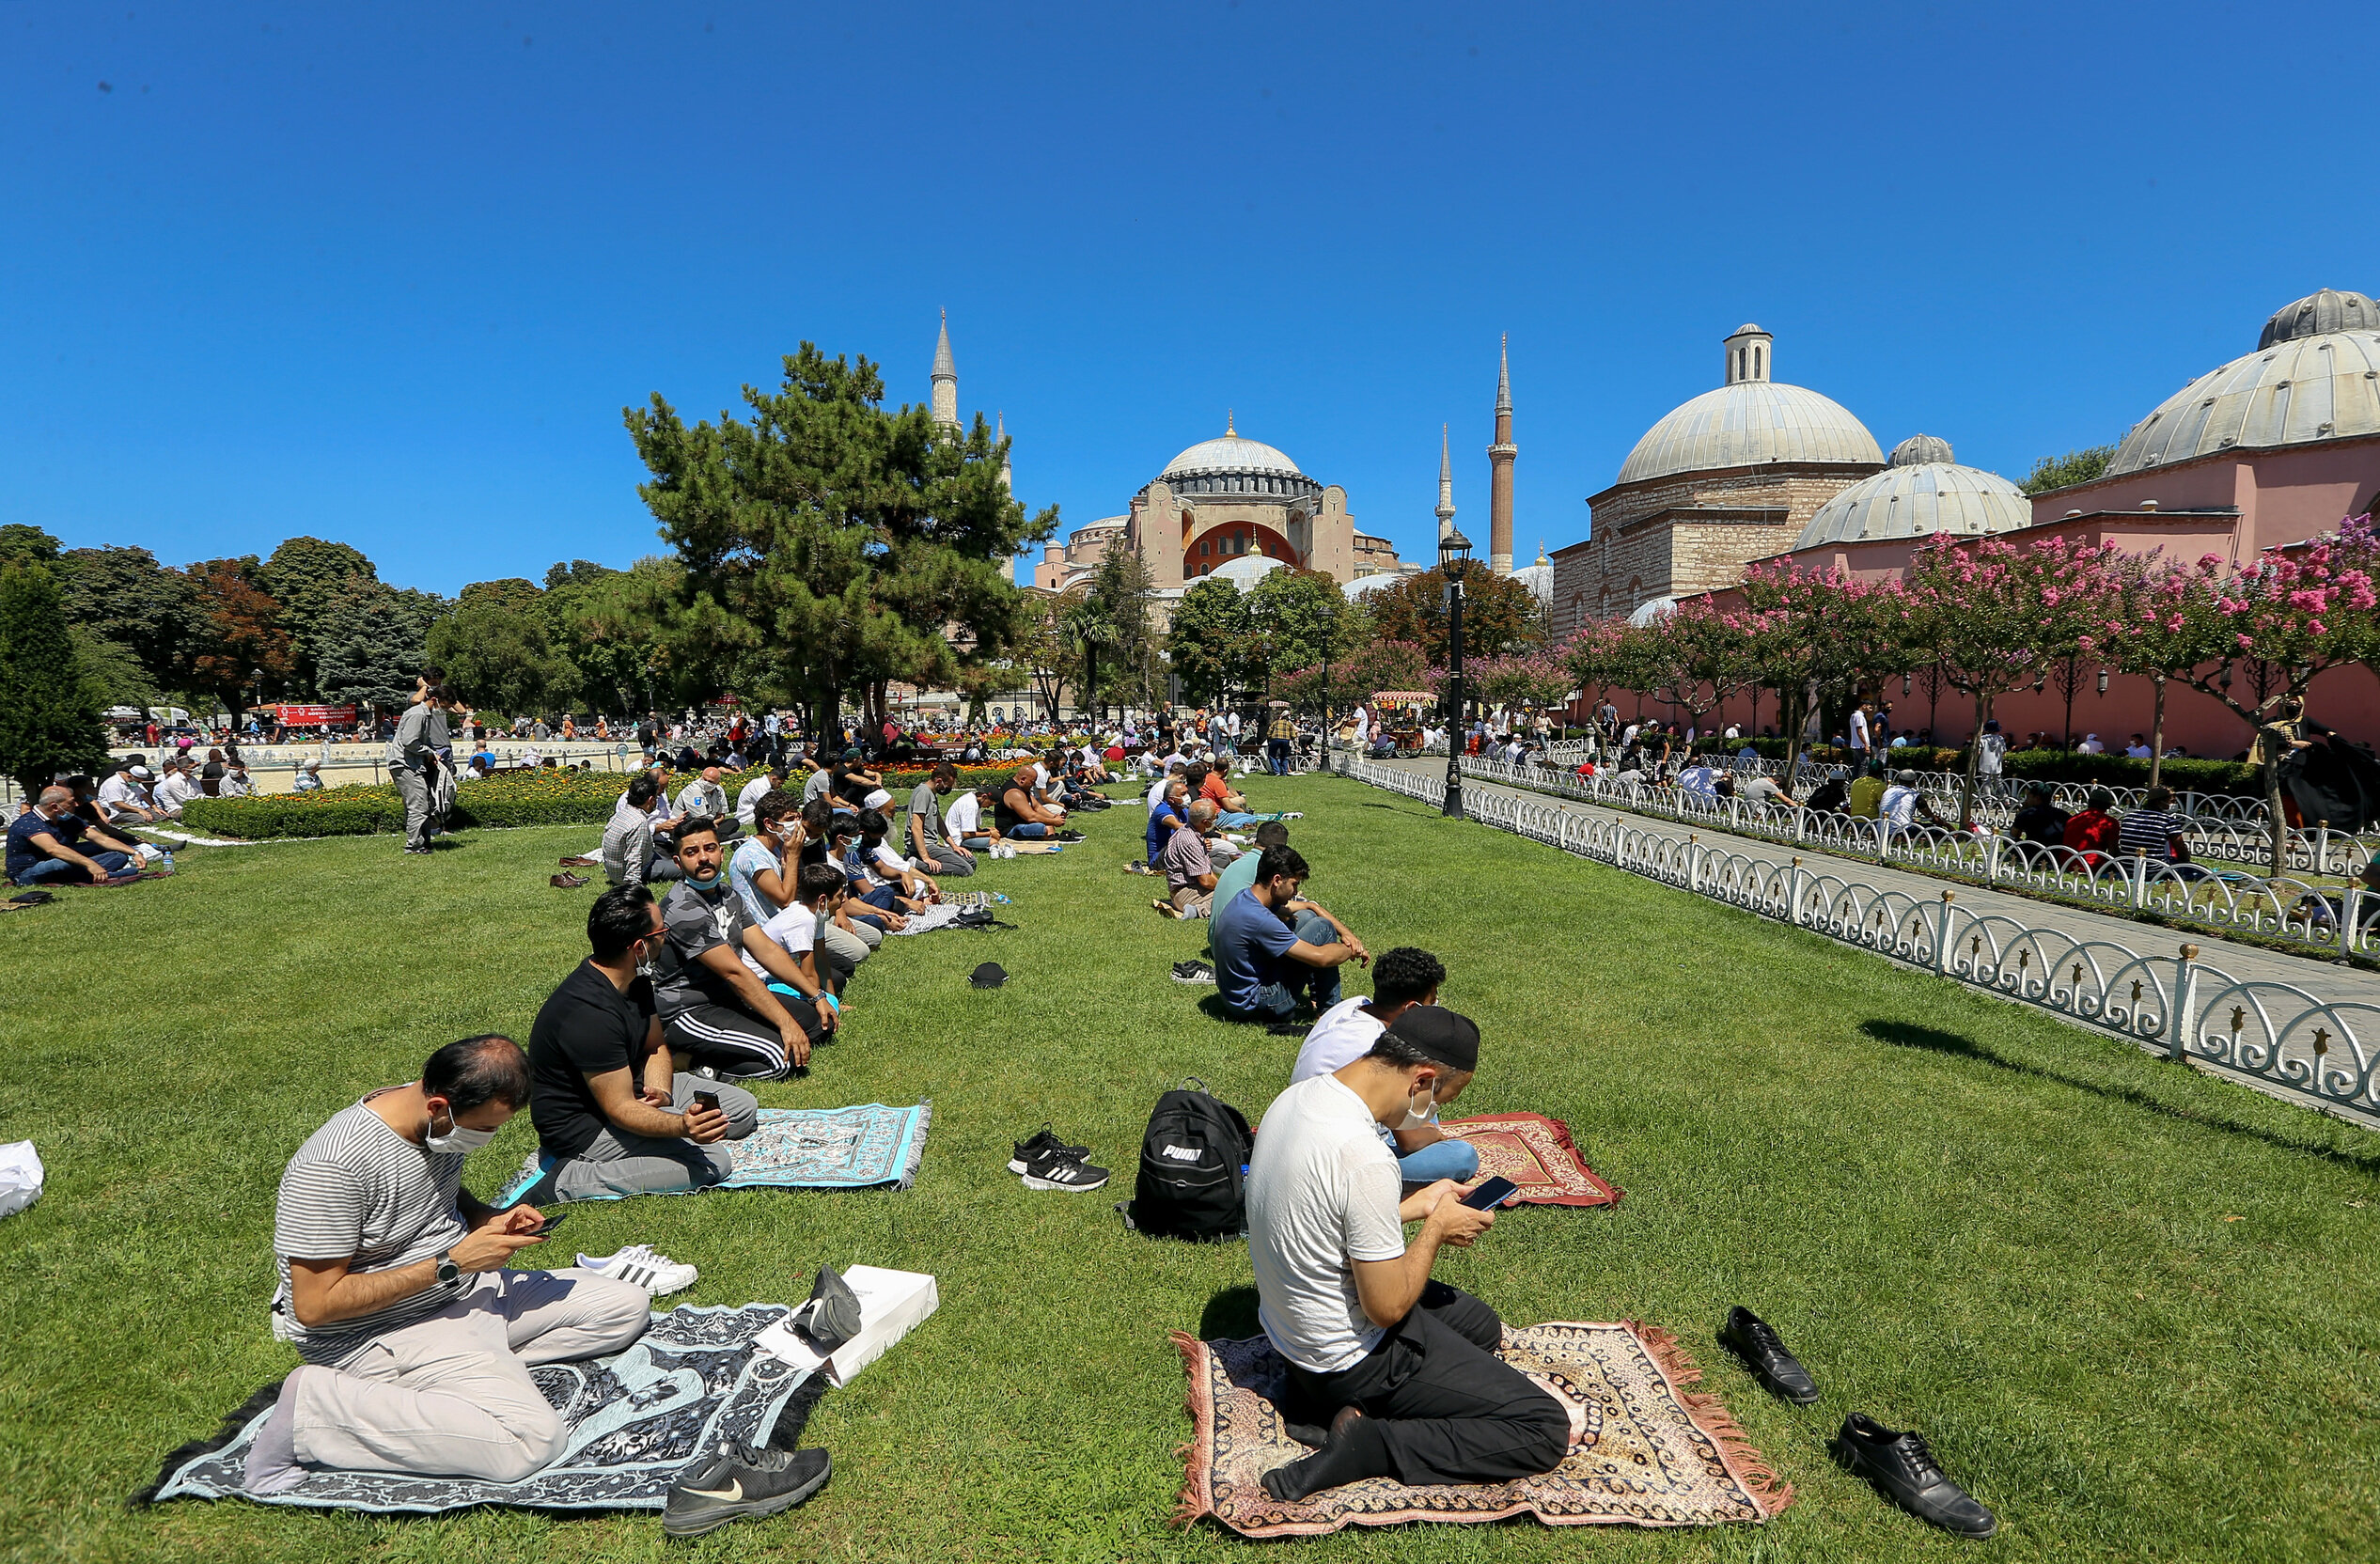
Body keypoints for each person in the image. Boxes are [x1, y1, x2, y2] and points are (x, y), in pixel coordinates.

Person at [242, 1036, 651, 1493]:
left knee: (625, 1306)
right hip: (387, 1330)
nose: (487, 1140)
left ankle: (461, 1381)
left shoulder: (432, 1120)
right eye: (484, 1129)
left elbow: (438, 1194)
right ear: (438, 1105)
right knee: (531, 1441)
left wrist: (488, 1219)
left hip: (464, 1292)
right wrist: (452, 1262)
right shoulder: (333, 1167)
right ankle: (315, 1408)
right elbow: (315, 1307)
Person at [1246, 1006, 1569, 1503]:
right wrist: (1436, 1229)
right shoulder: (1364, 1154)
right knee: (1541, 1425)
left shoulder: (1297, 1099)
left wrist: (1413, 1206)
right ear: (1421, 1080)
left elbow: (1315, 1214)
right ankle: (1371, 1444)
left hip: (1293, 1342)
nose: (1432, 1117)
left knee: (1479, 1325)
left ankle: (1317, 1407)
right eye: (1439, 1101)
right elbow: (1387, 1308)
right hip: (1346, 1361)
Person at [523, 886, 760, 1203]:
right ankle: (569, 1180)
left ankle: (664, 1126)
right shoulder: (588, 1015)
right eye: (663, 931)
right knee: (714, 1162)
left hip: (632, 1091)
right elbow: (619, 1109)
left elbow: (656, 1046)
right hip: (587, 1128)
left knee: (742, 1110)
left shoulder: (635, 980)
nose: (667, 936)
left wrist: (661, 1094)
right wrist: (681, 1126)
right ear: (639, 947)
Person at [650, 820, 822, 1080]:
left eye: (709, 848)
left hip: (728, 997)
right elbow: (735, 973)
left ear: (721, 852)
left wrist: (816, 996)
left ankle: (734, 1044)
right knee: (780, 1059)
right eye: (691, 852)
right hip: (689, 1010)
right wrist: (785, 1024)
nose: (703, 858)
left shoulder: (729, 896)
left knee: (813, 1022)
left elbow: (767, 950)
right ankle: (690, 1060)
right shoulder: (683, 909)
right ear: (678, 862)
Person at [1289, 948, 1479, 1186]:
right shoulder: (1379, 1049)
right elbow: (1409, 1141)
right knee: (1462, 1156)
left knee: (1426, 1101)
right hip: (1333, 1161)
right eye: (1432, 1002)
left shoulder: (1353, 1005)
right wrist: (1434, 1135)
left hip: (1304, 1128)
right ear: (1411, 1009)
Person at [1211, 845, 1370, 1023]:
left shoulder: (1247, 897)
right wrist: (1352, 949)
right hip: (1258, 1004)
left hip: (1234, 998)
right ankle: (1328, 1012)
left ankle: (1318, 1000)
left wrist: (1317, 909)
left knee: (1308, 916)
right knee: (1323, 927)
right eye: (1294, 884)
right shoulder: (1259, 919)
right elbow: (1321, 957)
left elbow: (1302, 908)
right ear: (1277, 880)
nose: (1295, 892)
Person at [8, 786, 143, 885]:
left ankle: (90, 875)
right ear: (55, 807)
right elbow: (53, 849)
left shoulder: (67, 818)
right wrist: (90, 864)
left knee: (118, 855)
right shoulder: (29, 823)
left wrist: (134, 852)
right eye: (72, 802)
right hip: (29, 871)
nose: (76, 805)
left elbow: (101, 839)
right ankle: (100, 875)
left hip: (65, 862)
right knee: (61, 863)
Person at [386, 672, 446, 854]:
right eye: (444, 706)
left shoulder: (425, 714)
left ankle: (424, 843)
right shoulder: (417, 715)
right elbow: (410, 742)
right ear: (435, 700)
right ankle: (414, 846)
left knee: (420, 804)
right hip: (404, 764)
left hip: (411, 763)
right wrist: (428, 752)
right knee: (418, 805)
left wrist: (431, 754)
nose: (444, 710)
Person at [907, 762, 976, 878]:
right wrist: (926, 858)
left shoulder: (932, 794)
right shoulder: (923, 793)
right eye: (948, 786)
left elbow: (939, 823)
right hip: (925, 846)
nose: (948, 789)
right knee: (965, 870)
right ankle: (915, 864)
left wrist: (954, 846)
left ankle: (927, 861)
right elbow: (916, 827)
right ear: (939, 781)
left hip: (932, 845)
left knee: (971, 861)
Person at [1156, 799, 1222, 918]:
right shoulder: (1191, 842)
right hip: (1186, 893)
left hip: (1187, 889)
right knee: (1232, 899)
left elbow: (1207, 869)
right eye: (1214, 817)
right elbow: (1206, 881)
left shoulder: (1188, 832)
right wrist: (1225, 887)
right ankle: (1197, 910)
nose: (1216, 819)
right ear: (1206, 822)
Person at [2115, 785, 2196, 872]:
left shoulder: (2129, 817)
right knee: (2201, 871)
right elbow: (2180, 849)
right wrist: (2186, 862)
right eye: (2171, 801)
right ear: (2159, 802)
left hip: (2126, 868)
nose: (2173, 804)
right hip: (2154, 869)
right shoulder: (2167, 821)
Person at [996, 767, 1066, 840]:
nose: (1033, 785)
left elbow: (1037, 807)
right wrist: (1053, 821)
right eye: (1032, 782)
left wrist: (1053, 817)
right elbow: (1031, 817)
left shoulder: (1023, 789)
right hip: (1010, 830)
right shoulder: (1015, 793)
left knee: (1046, 824)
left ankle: (1049, 837)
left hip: (1024, 824)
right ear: (1023, 779)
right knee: (1041, 828)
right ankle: (1047, 837)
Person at [2060, 787, 2122, 869]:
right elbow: (2113, 851)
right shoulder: (2110, 822)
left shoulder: (2073, 819)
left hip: (2066, 864)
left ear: (2089, 802)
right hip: (2092, 867)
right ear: (2108, 806)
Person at [97, 758, 163, 825]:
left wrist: (155, 808)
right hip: (119, 812)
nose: (139, 783)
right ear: (129, 776)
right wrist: (139, 810)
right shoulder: (113, 783)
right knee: (142, 820)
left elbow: (144, 795)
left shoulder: (133, 782)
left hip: (137, 809)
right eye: (138, 781)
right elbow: (118, 804)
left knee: (161, 817)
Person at [2009, 783, 2071, 847]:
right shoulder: (2063, 814)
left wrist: (2020, 814)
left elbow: (2014, 834)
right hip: (2057, 851)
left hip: (2035, 851)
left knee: (2008, 840)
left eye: (2028, 797)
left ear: (2036, 798)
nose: (2026, 800)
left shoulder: (2026, 814)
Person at [735, 764, 788, 832]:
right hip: (747, 818)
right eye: (780, 783)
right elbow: (767, 807)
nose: (780, 786)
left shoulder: (765, 785)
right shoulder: (760, 785)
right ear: (773, 779)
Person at [1266, 707, 1297, 775]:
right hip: (1285, 740)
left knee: (1272, 755)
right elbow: (1293, 734)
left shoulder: (1276, 722)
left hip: (1275, 739)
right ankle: (1284, 772)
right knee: (1284, 756)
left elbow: (1269, 732)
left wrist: (1270, 737)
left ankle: (1276, 771)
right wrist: (1292, 738)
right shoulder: (1289, 724)